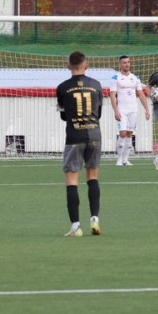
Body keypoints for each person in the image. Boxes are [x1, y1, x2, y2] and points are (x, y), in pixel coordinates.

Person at [55, 51, 104, 237]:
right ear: (86, 65)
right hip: (94, 135)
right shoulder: (96, 85)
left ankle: (76, 226)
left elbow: (63, 116)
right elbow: (98, 113)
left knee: (71, 181)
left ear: (68, 66)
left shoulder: (62, 88)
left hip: (74, 137)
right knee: (93, 177)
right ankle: (94, 219)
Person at [109, 55, 150, 166]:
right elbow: (112, 95)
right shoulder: (115, 78)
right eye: (124, 62)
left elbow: (141, 94)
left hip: (133, 109)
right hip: (121, 109)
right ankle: (119, 159)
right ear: (120, 64)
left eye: (128, 62)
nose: (126, 64)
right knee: (122, 133)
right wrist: (115, 110)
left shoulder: (135, 78)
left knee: (130, 133)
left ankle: (125, 159)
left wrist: (147, 109)